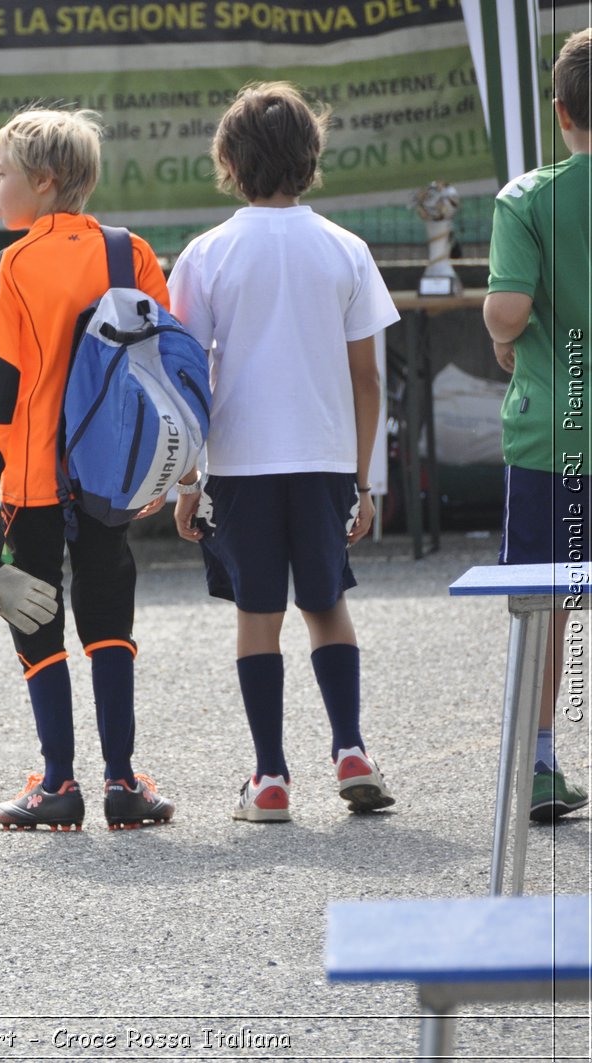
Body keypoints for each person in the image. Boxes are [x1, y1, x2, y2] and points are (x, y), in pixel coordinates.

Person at [168, 82, 399, 823]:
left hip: (239, 466)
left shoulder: (206, 254)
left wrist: (187, 480)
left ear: (228, 161)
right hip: (329, 459)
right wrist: (365, 483)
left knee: (257, 614)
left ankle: (269, 778)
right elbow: (368, 378)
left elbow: (183, 379)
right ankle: (352, 748)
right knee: (328, 605)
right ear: (312, 157)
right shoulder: (347, 249)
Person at [0, 108, 176, 832]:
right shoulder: (131, 253)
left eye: (1, 173)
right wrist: (162, 469)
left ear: (45, 182)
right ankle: (123, 782)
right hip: (111, 475)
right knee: (109, 610)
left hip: (31, 480)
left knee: (31, 613)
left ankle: (58, 782)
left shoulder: (10, 268)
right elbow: (165, 368)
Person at [483, 28, 592, 822]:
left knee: (542, 604)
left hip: (553, 429)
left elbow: (511, 309)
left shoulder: (525, 198)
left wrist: (498, 330)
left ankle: (542, 759)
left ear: (560, 112)